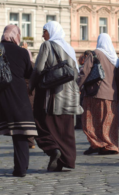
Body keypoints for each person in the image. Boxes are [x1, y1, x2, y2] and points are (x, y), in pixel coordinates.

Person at [0, 25, 36, 177]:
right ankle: (21, 169)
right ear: (17, 36)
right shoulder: (23, 52)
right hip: (18, 97)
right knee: (21, 133)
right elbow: (29, 72)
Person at [30, 21, 83, 172]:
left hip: (51, 95)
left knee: (40, 123)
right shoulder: (70, 49)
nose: (42, 35)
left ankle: (53, 149)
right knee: (65, 130)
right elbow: (75, 73)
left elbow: (38, 69)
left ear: (51, 32)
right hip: (69, 96)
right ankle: (65, 160)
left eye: (44, 31)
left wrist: (31, 86)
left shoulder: (47, 45)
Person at [77, 33, 119, 155]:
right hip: (112, 95)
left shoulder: (94, 53)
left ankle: (96, 144)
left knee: (90, 121)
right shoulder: (115, 58)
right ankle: (110, 145)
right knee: (108, 123)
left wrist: (77, 86)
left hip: (95, 93)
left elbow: (84, 72)